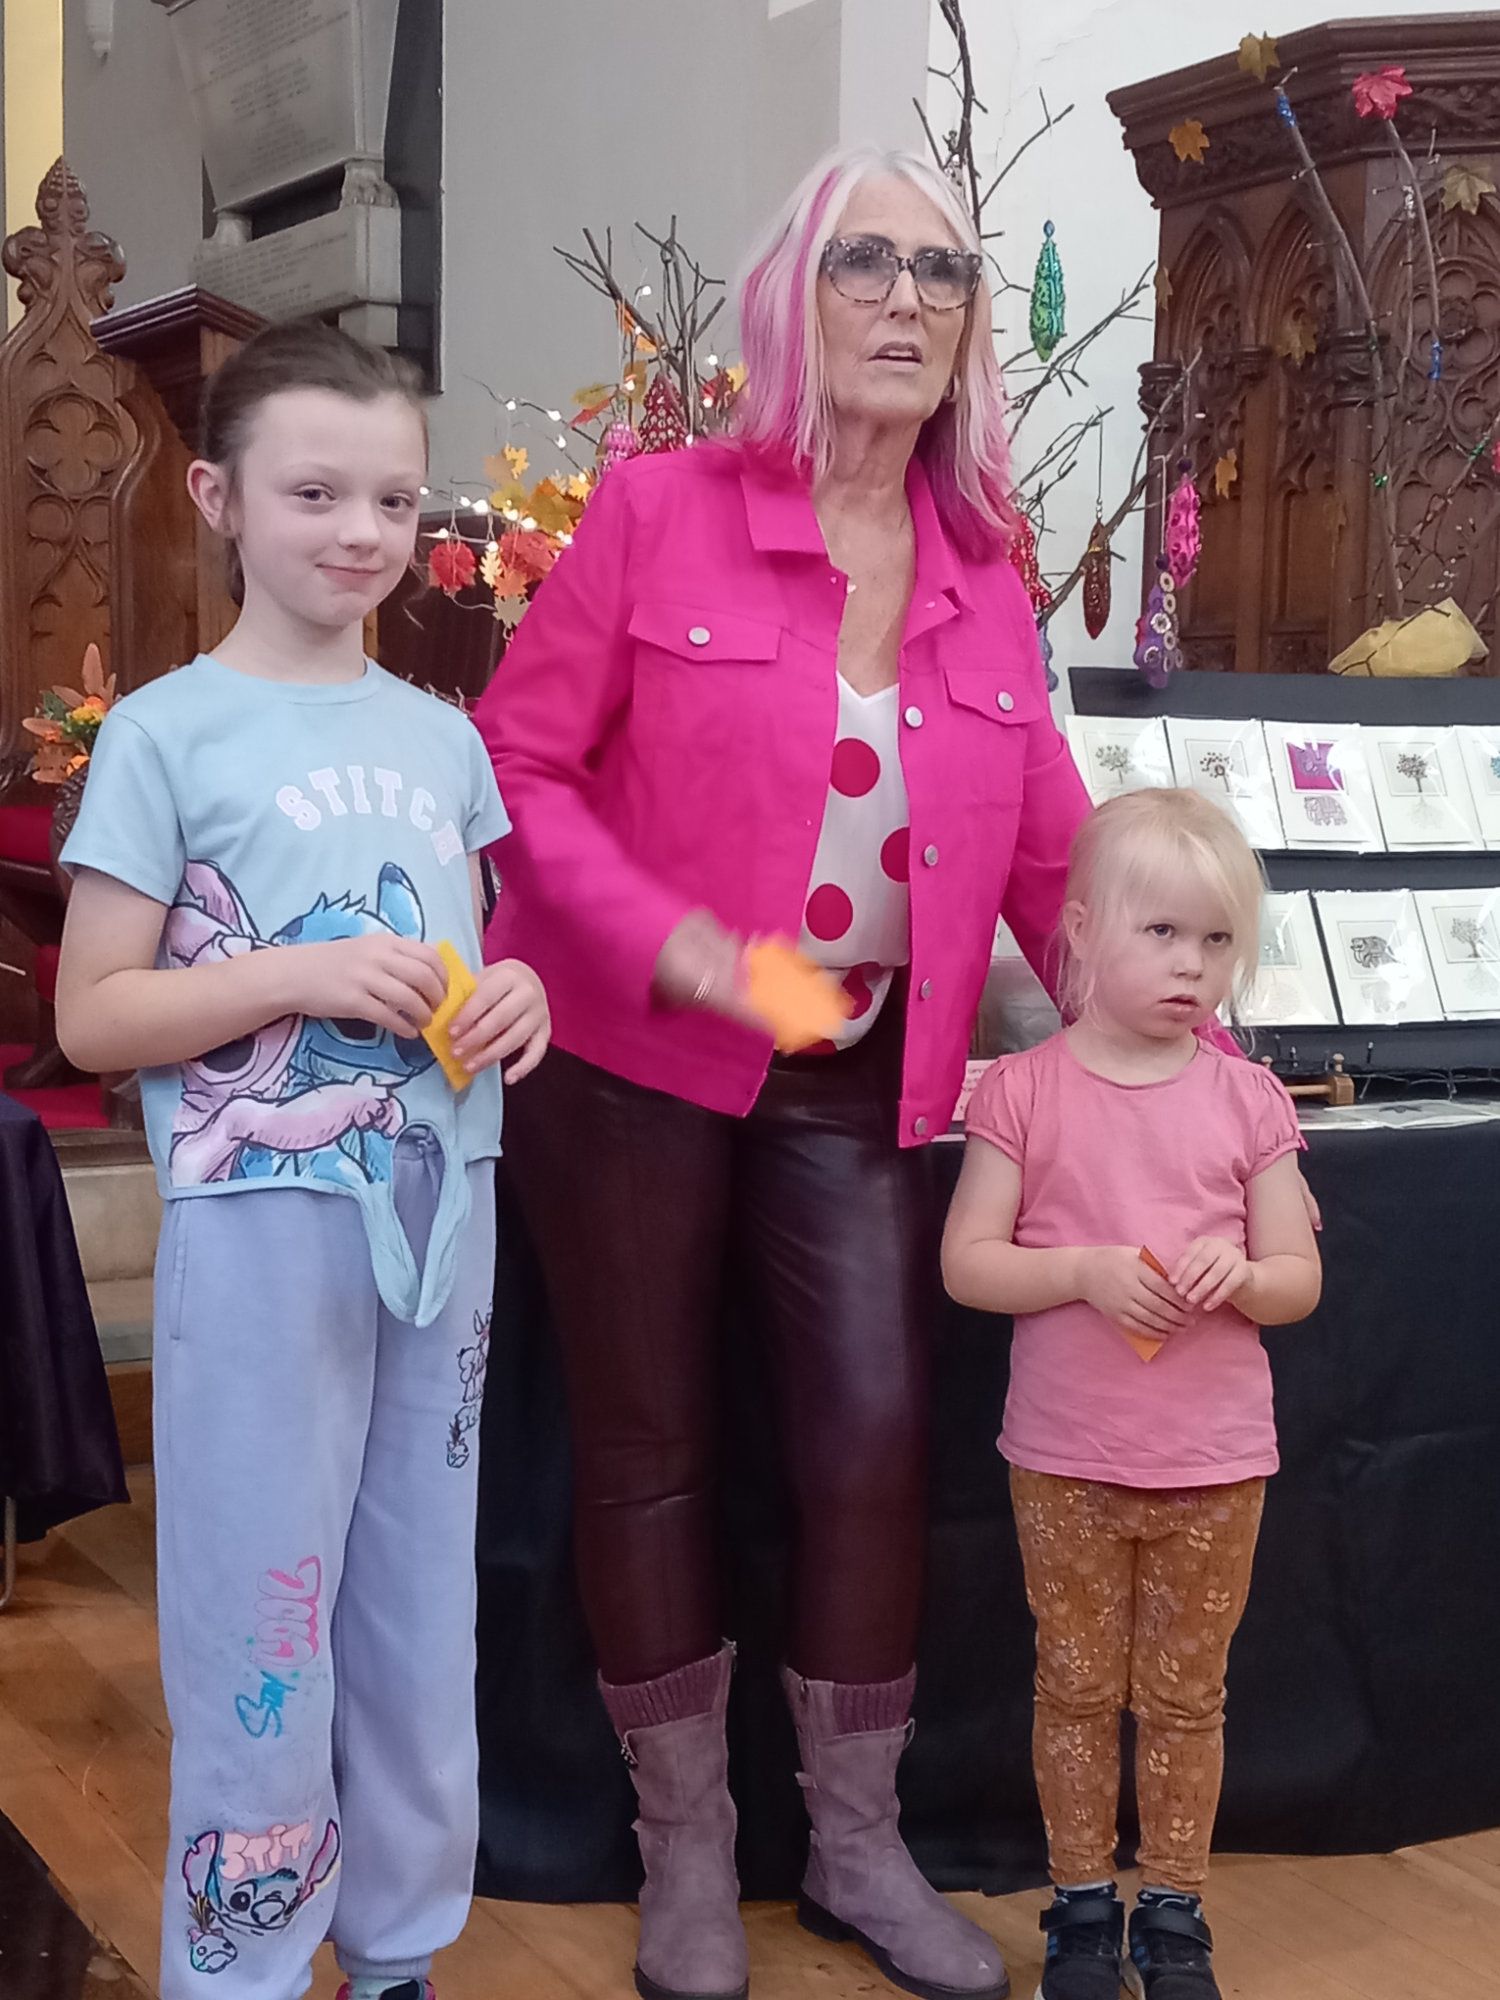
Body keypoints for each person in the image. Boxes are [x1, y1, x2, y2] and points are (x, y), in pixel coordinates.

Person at [476, 143, 1092, 2000]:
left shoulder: (988, 572)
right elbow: (514, 765)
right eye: (866, 262)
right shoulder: (658, 508)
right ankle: (686, 1852)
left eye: (943, 269)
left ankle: (855, 1843)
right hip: (628, 1063)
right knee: (651, 1452)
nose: (907, 297)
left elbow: (1055, 839)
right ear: (795, 299)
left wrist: (1169, 1043)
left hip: (864, 1077)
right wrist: (657, 937)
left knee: (872, 1448)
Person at [54, 321, 549, 2000]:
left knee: (418, 1605)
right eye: (317, 490)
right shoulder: (164, 738)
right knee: (262, 1612)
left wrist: (519, 1001)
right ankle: (244, 1964)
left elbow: (464, 960)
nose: (360, 530)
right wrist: (292, 977)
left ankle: (400, 1947)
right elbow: (98, 1013)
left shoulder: (443, 740)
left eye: (394, 498)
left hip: (441, 1214)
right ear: (219, 496)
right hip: (259, 1226)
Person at [942, 788, 1322, 2000]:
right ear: (1084, 929)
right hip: (1065, 1455)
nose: (1192, 966)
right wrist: (1087, 1272)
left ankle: (1172, 1905)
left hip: (1217, 1461)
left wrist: (1248, 1275)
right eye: (1163, 934)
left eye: (1216, 941)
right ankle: (1078, 1904)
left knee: (1185, 1694)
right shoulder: (1025, 1091)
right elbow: (968, 1263)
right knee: (1074, 1684)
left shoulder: (1250, 1101)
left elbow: (1299, 1282)